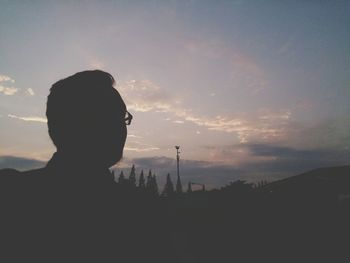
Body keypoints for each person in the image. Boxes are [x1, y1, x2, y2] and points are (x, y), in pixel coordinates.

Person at [0, 70, 145, 262]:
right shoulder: (137, 214)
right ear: (64, 124)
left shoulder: (15, 194)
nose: (119, 127)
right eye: (101, 115)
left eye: (120, 117)